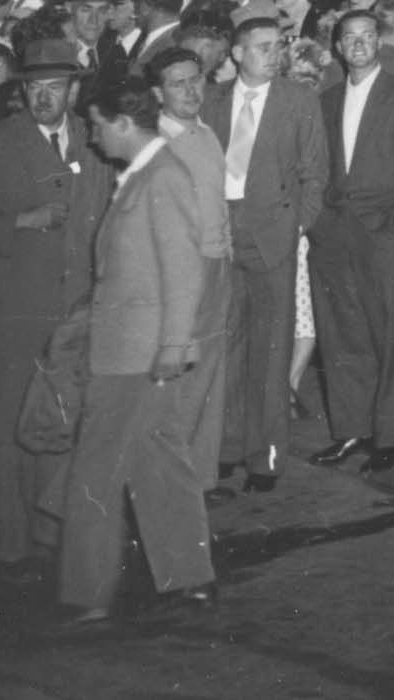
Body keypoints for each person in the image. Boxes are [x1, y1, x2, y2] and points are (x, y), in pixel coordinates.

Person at [54, 79, 215, 624]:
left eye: (98, 125)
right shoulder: (142, 175)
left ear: (124, 122)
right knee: (158, 464)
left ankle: (88, 593)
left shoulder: (162, 176)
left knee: (96, 471)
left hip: (136, 354)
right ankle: (190, 580)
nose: (92, 137)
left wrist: (173, 345)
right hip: (131, 347)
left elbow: (184, 268)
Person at [0, 39, 110, 565]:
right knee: (7, 430)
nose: (44, 97)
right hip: (11, 308)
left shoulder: (94, 142)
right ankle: (12, 548)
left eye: (55, 87)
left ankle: (54, 540)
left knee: (64, 424)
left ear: (74, 91)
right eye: (34, 88)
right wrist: (20, 221)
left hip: (74, 312)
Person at [308, 7, 394, 474]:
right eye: (349, 37)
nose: (359, 43)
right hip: (333, 233)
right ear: (338, 47)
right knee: (340, 334)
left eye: (367, 35)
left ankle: (389, 436)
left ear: (379, 42)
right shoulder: (326, 100)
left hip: (382, 231)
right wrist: (318, 222)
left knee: (387, 333)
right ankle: (351, 430)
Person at [206, 12, 325, 495]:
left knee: (272, 351)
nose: (274, 55)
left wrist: (296, 227)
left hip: (272, 235)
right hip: (221, 233)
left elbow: (315, 173)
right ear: (237, 54)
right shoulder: (213, 100)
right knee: (224, 346)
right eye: (263, 47)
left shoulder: (298, 100)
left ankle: (266, 456)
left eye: (278, 46)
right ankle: (225, 447)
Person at [140, 46, 233, 494]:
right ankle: (169, 489)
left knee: (208, 377)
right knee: (179, 385)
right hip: (182, 274)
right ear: (159, 93)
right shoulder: (156, 144)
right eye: (178, 84)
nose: (191, 90)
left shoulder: (205, 133)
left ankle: (200, 482)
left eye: (196, 80)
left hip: (217, 265)